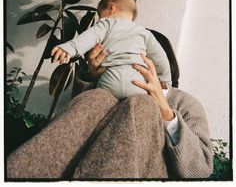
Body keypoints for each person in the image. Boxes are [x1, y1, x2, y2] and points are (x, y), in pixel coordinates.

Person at [6, 37, 213, 180]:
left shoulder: (186, 102)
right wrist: (94, 78)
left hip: (149, 173)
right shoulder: (109, 89)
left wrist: (164, 110)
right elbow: (73, 128)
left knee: (142, 104)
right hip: (82, 162)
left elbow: (200, 170)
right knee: (99, 97)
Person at [51, 0, 172, 100]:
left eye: (100, 14)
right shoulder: (144, 33)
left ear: (111, 8)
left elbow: (89, 37)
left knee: (96, 104)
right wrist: (164, 81)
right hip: (137, 84)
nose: (100, 19)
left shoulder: (106, 23)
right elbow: (161, 57)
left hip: (110, 79)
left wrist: (69, 48)